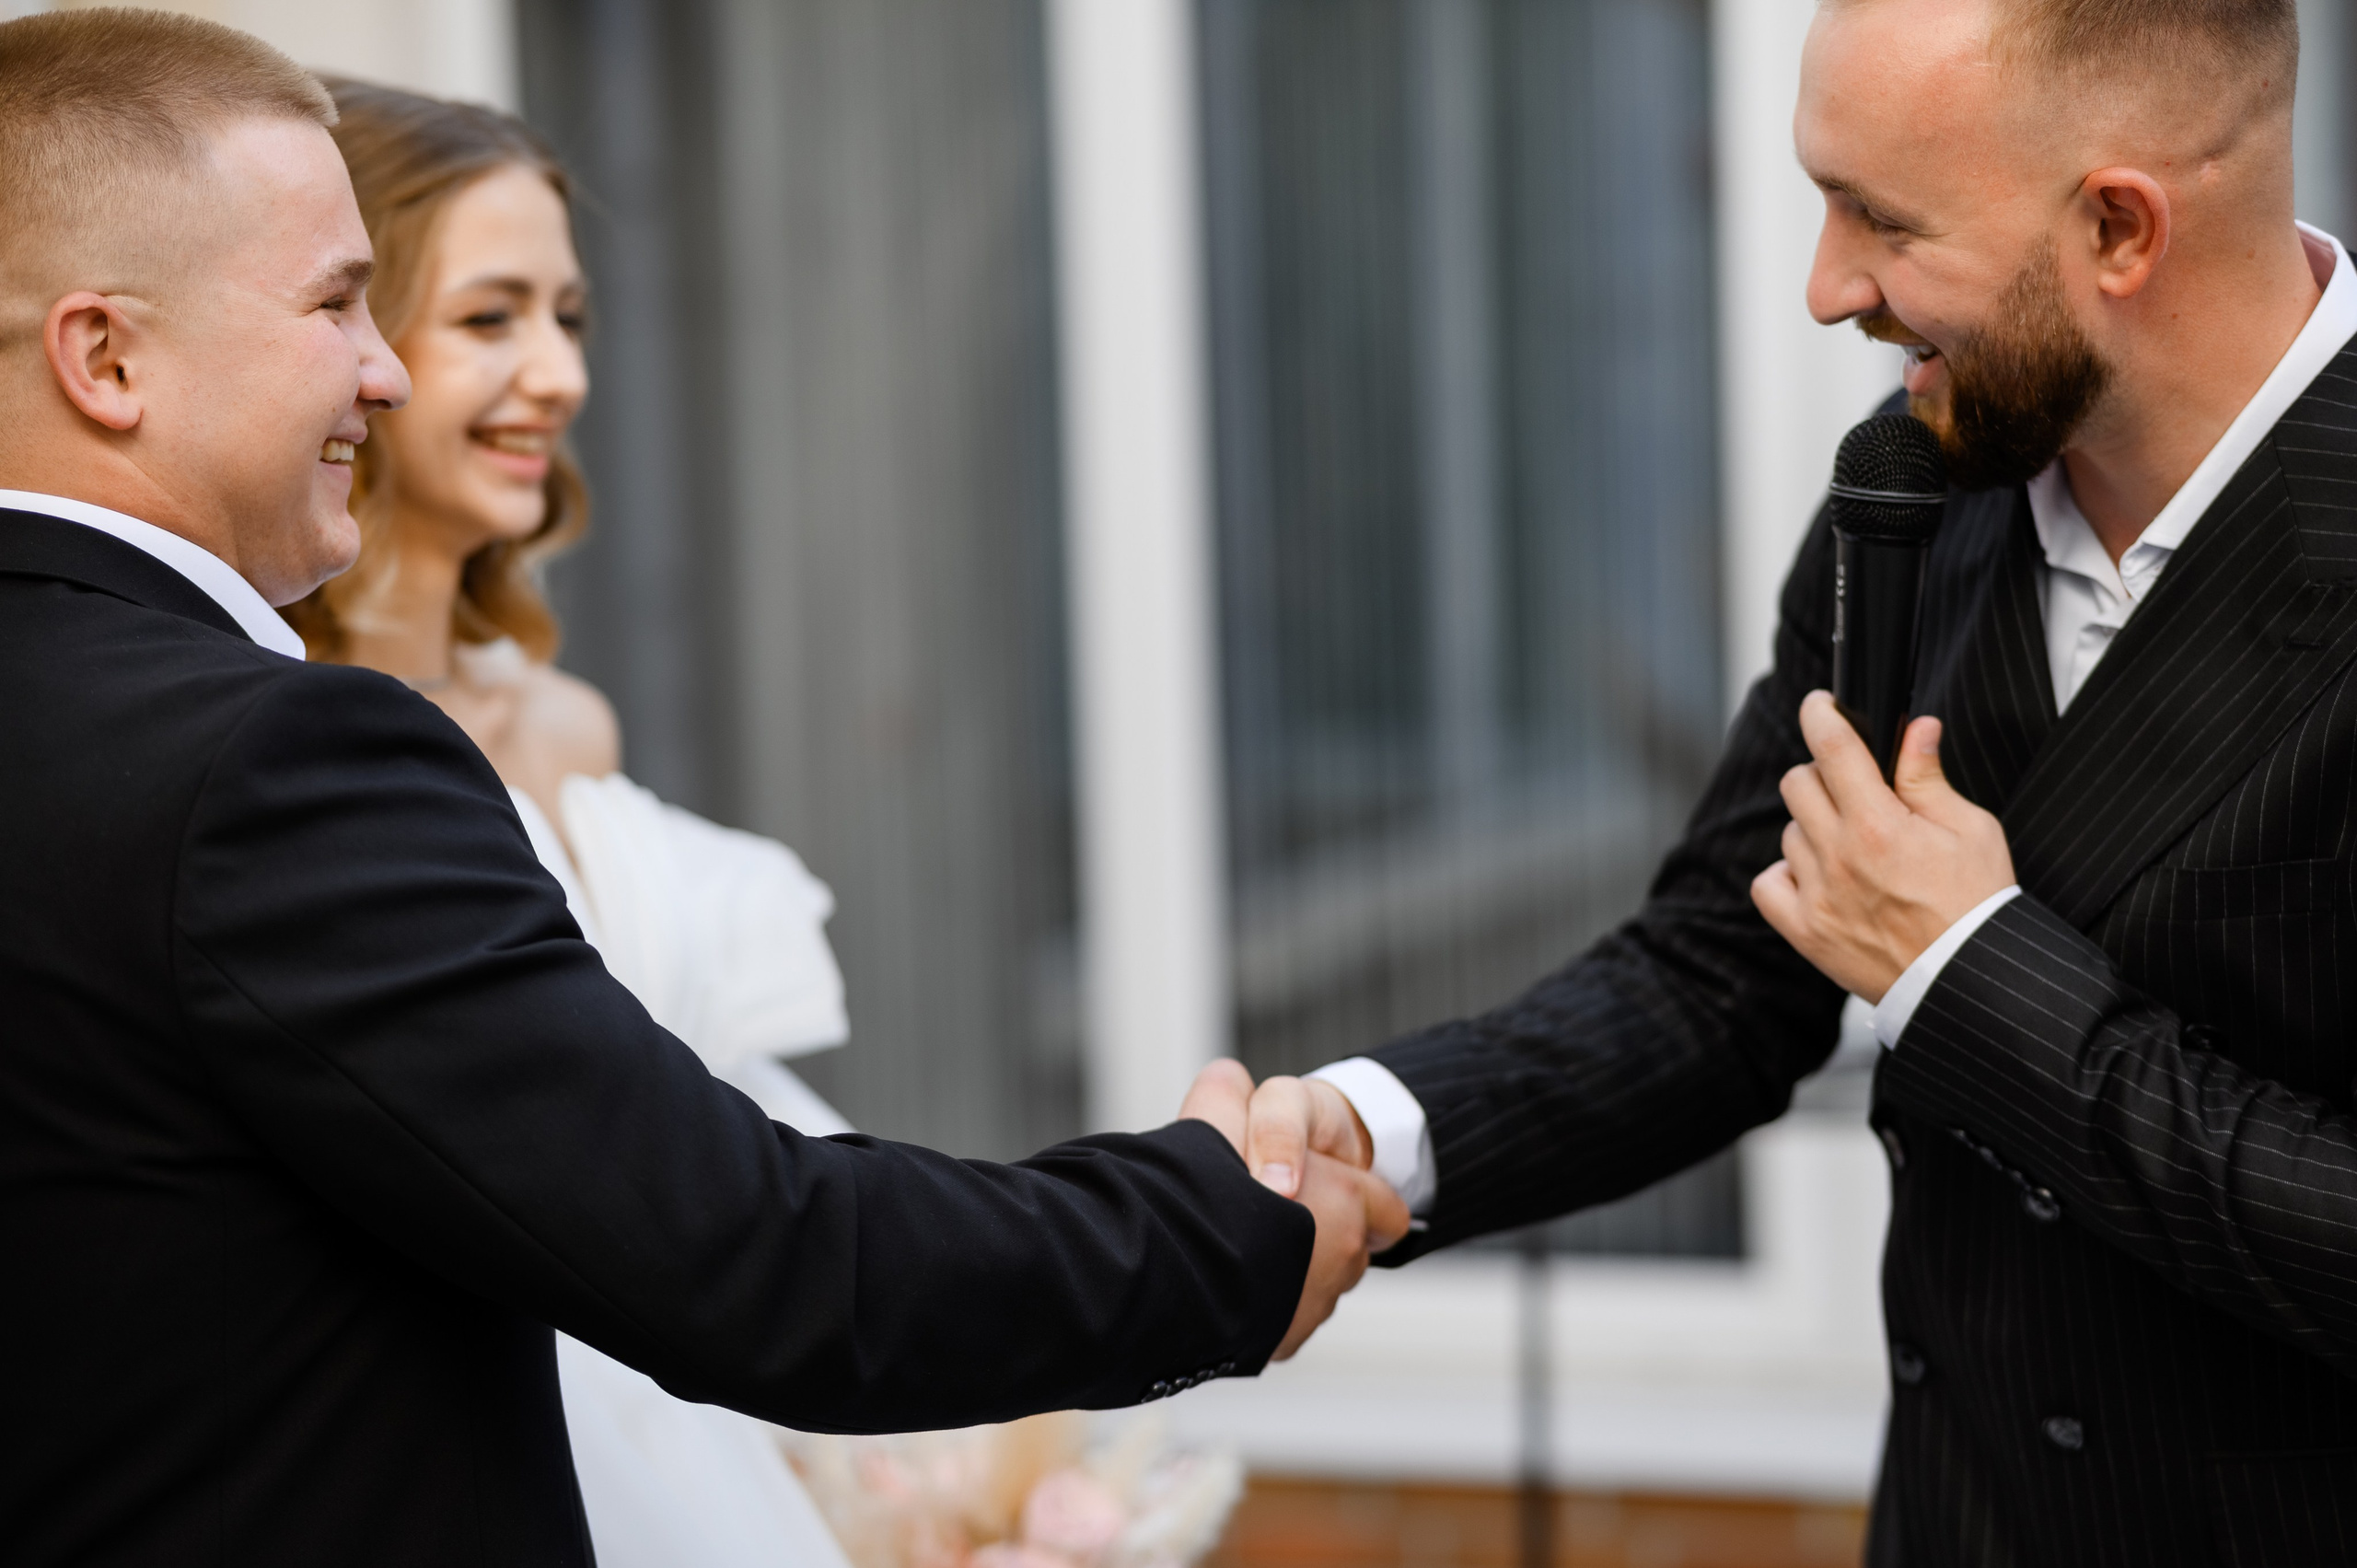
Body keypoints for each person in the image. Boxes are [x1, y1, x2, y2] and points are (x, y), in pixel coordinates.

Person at [0, 12, 1406, 1565]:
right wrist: (1213, 1229)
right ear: (106, 356)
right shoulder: (274, 763)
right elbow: (749, 1256)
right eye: (342, 303)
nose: (384, 371)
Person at [1244, 0, 2357, 1561]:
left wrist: (1972, 975)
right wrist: (1383, 1129)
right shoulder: (1916, 499)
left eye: (1883, 221)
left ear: (2119, 226)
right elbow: (1720, 972)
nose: (1828, 288)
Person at [284, 78, 859, 1567]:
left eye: (571, 317)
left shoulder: (564, 723)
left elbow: (726, 1136)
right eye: (489, 320)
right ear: (355, 341)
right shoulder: (265, 750)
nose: (558, 373)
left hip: (708, 1427)